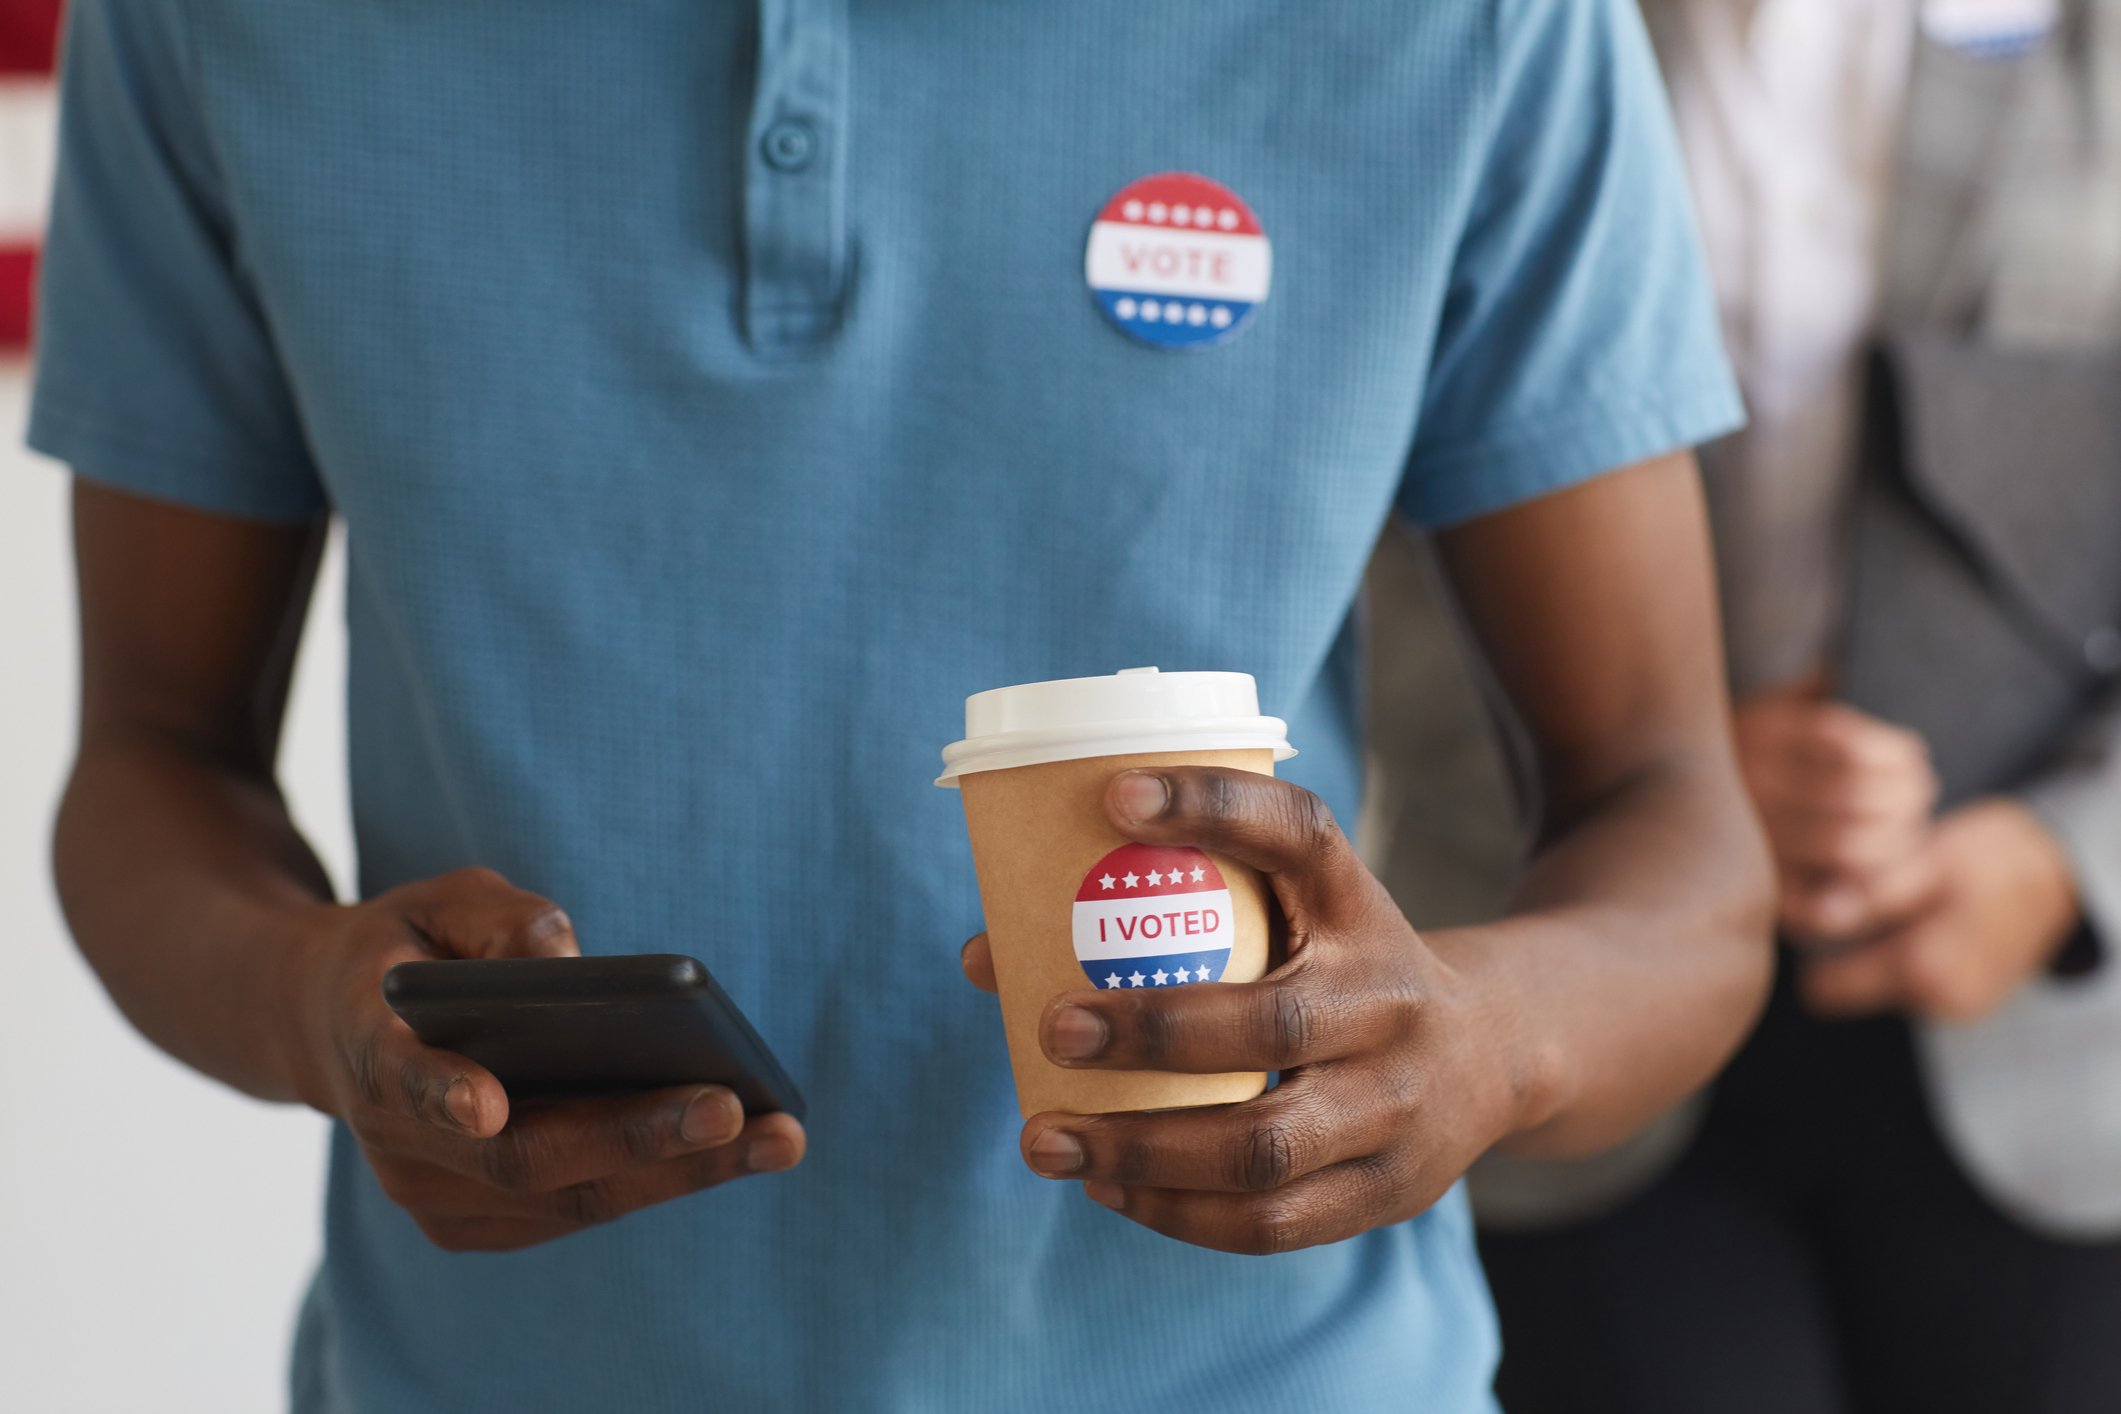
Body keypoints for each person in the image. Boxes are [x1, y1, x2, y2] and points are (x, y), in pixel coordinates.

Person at [31, 2, 1771, 1410]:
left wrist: (1477, 1041)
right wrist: (308, 998)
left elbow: (1676, 832)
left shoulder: (1477, 29)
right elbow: (152, 759)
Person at [1452, 1, 2121, 1409]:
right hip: (1586, 976)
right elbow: (1391, 505)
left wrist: (2068, 855)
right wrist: (1665, 771)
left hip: (2027, 1016)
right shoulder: (1508, 37)